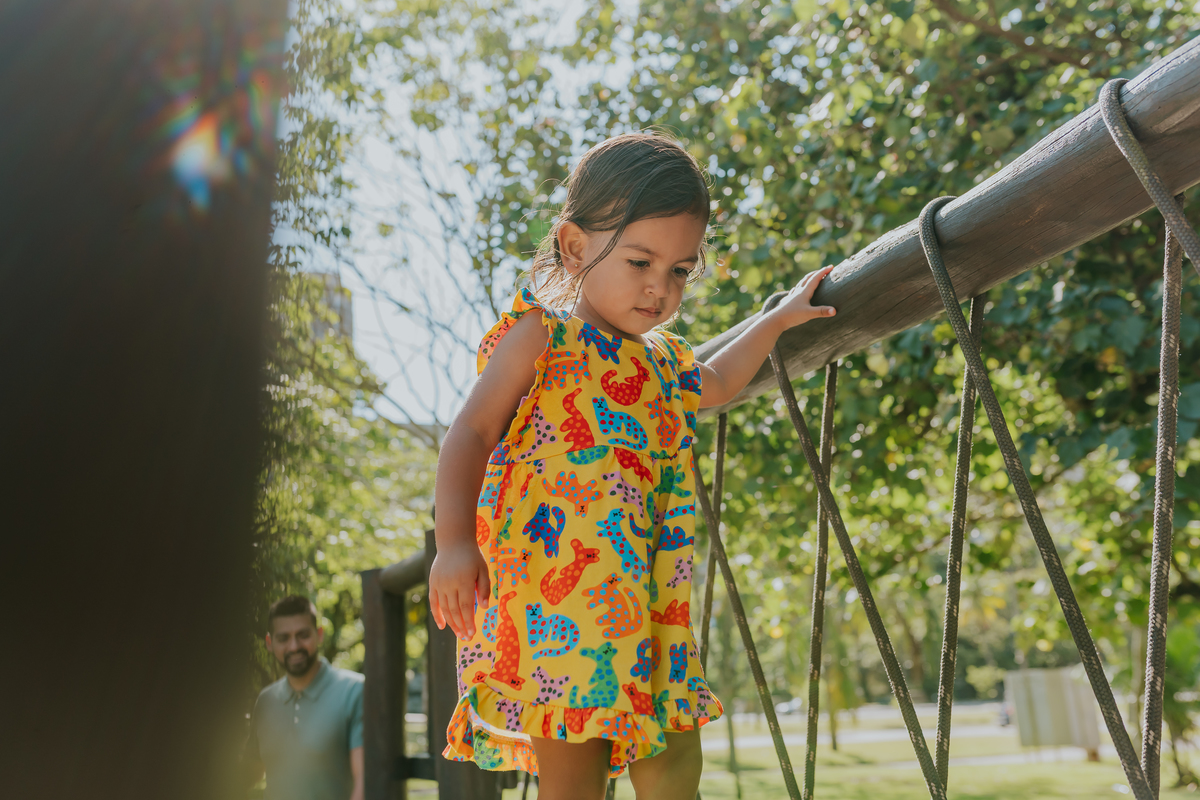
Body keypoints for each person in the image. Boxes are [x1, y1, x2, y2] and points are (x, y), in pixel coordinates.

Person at [428, 131, 836, 800]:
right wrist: (452, 544)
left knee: (676, 766)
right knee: (574, 778)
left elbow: (720, 381)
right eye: (642, 262)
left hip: (652, 606)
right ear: (575, 246)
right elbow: (471, 431)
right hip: (558, 614)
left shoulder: (665, 363)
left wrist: (776, 320)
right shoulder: (546, 339)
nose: (659, 289)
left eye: (680, 270)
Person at [244, 595, 364, 800]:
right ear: (269, 643)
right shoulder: (265, 701)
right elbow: (248, 773)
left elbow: (364, 782)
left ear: (319, 635)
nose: (294, 646)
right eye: (283, 638)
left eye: (303, 635)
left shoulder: (354, 691)